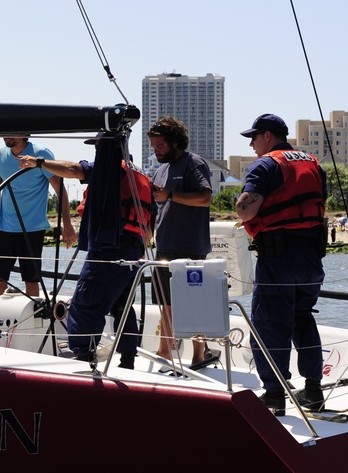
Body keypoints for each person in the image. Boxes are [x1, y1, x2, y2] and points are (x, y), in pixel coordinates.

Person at [19, 138, 153, 369]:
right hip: (134, 248)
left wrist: (39, 162)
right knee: (121, 304)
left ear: (109, 147)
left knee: (86, 301)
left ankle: (84, 358)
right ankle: (128, 359)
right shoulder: (141, 175)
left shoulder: (109, 167)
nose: (96, 150)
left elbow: (73, 170)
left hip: (109, 246)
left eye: (98, 146)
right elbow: (150, 222)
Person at [235, 114, 328, 416]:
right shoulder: (312, 163)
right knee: (302, 316)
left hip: (278, 258)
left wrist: (241, 212)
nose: (251, 144)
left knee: (269, 322)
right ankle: (313, 391)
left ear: (267, 136)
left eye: (254, 138)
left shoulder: (266, 164)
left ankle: (274, 395)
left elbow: (246, 209)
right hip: (311, 258)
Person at [146, 117, 214, 366]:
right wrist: (147, 232)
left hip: (189, 248)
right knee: (166, 304)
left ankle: (198, 356)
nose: (156, 151)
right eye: (153, 147)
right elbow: (156, 206)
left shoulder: (193, 163)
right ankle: (165, 352)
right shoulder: (160, 170)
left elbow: (205, 198)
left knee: (192, 304)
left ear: (175, 142)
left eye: (160, 146)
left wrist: (171, 195)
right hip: (164, 246)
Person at [0, 137, 76, 298]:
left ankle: (30, 320)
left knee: (31, 280)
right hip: (5, 227)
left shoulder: (40, 154)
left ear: (24, 132)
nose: (7, 135)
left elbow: (60, 190)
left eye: (12, 131)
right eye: (4, 131)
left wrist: (67, 225)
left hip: (33, 228)